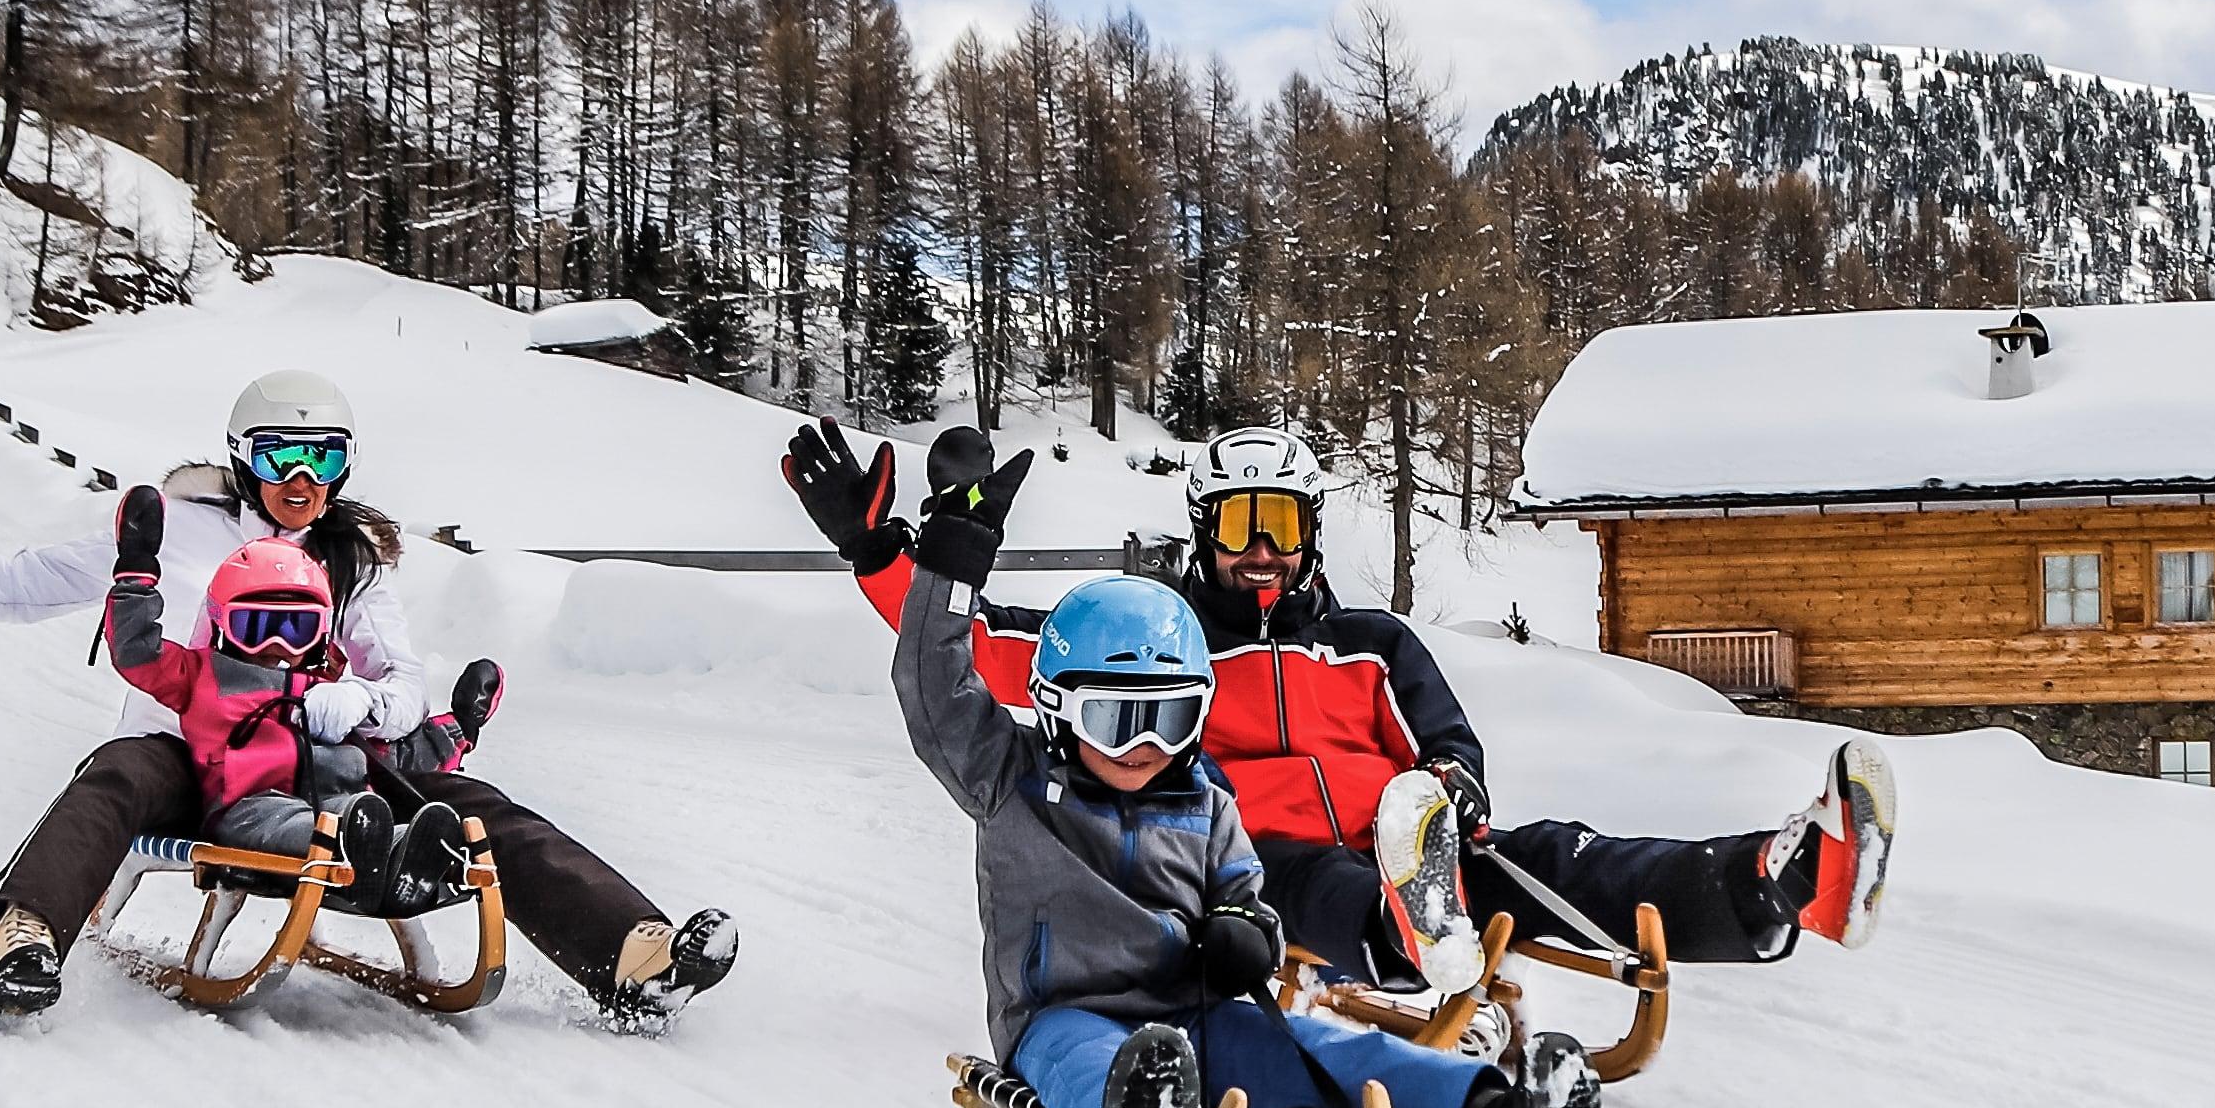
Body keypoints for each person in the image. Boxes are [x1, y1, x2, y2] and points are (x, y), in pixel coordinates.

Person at [784, 414, 1893, 996]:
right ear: (1203, 532)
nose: (1260, 553)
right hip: (1250, 856)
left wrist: (1451, 798)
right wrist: (882, 554)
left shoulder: (1367, 644)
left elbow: (1447, 743)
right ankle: (1411, 936)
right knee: (1318, 884)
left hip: (1407, 835)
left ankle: (1778, 881)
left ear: (1311, 534)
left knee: (1553, 856)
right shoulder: (1161, 641)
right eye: (1236, 527)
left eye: (1280, 526)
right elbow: (982, 646)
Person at [0, 364, 736, 1027]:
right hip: (179, 753)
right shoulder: (173, 531)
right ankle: (21, 934)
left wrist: (362, 709)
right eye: (283, 456)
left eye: (325, 458)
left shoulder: (351, 563)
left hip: (308, 765)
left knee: (468, 804)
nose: (304, 480)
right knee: (111, 776)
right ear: (242, 455)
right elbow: (13, 583)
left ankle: (631, 953)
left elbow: (402, 682)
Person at [890, 471, 1599, 1108]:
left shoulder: (1205, 798)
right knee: (1090, 1067)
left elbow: (1244, 889)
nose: (1146, 747)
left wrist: (1245, 929)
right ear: (1057, 708)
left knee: (1322, 1052)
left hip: (1193, 1012)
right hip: (1061, 1019)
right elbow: (932, 687)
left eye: (1169, 716)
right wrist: (955, 559)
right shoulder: (1007, 778)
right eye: (1115, 720)